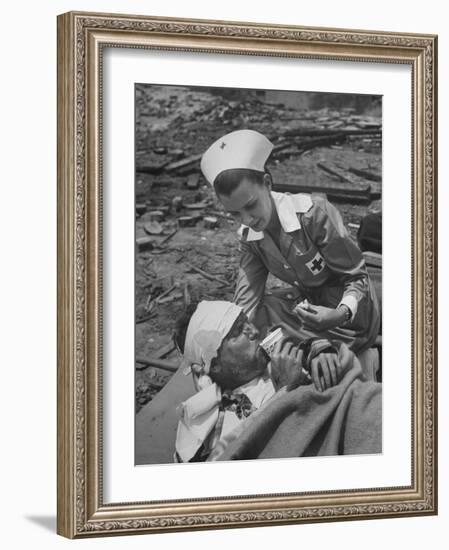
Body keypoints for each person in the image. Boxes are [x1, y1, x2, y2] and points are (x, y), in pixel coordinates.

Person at [200, 129, 380, 354]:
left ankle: (319, 349)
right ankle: (310, 348)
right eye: (235, 213)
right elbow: (247, 298)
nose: (247, 219)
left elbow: (357, 277)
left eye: (251, 205)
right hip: (310, 311)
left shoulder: (314, 215)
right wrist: (230, 337)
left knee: (282, 343)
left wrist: (339, 314)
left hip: (351, 317)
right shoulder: (250, 239)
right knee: (260, 311)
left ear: (267, 183)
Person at [173, 300, 381, 462]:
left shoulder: (284, 361)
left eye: (247, 322)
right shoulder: (203, 432)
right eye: (238, 332)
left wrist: (320, 350)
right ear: (215, 364)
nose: (254, 331)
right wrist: (285, 395)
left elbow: (346, 379)